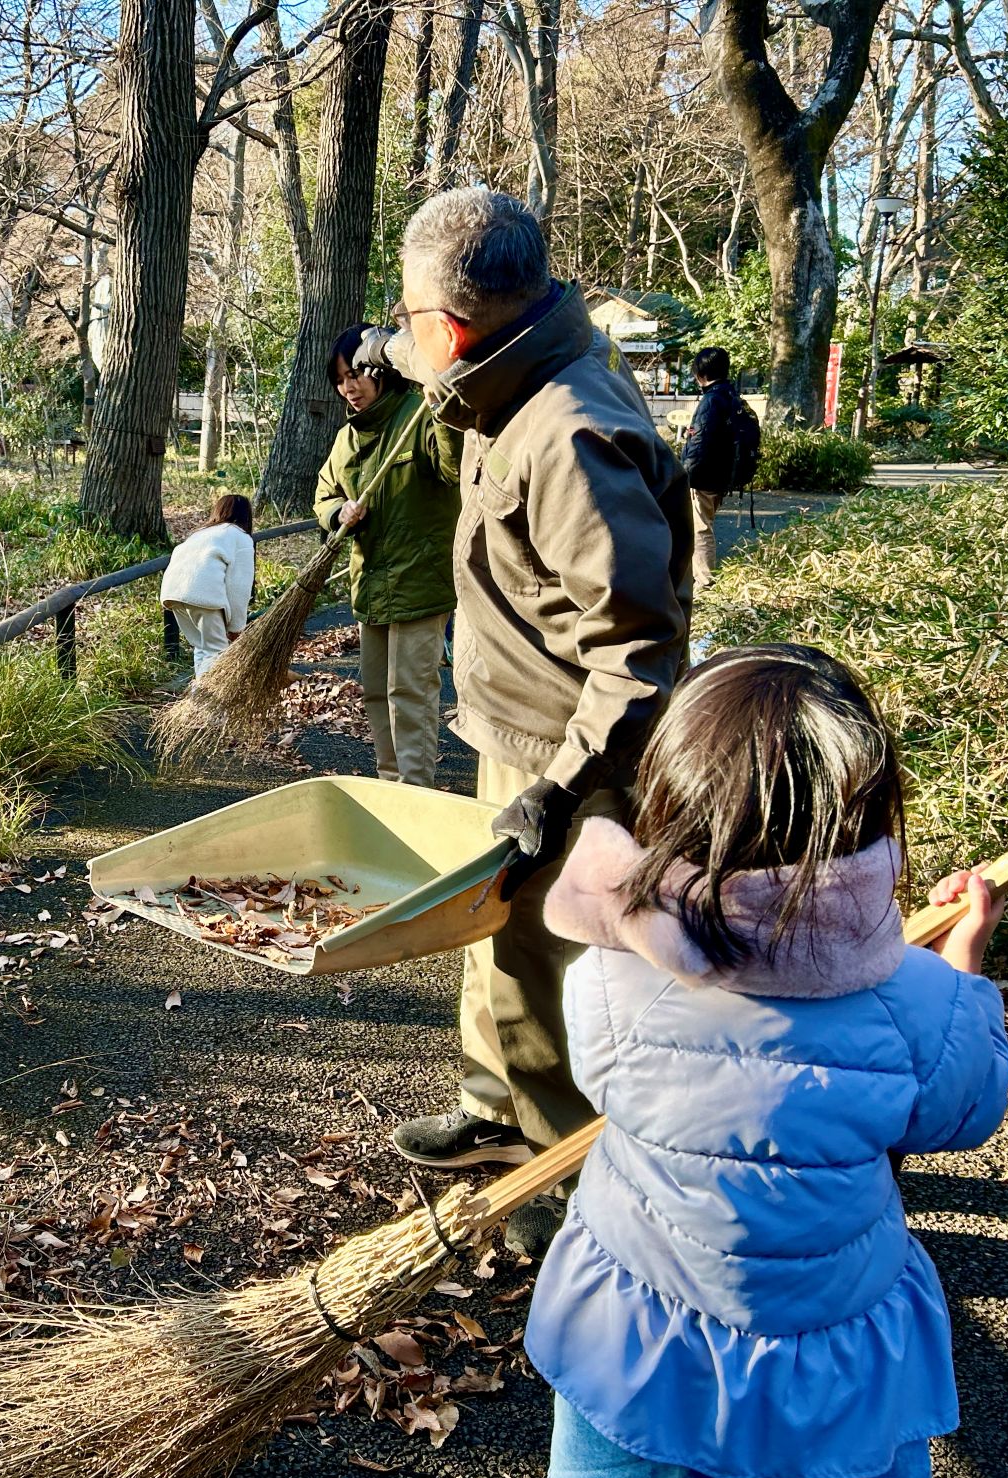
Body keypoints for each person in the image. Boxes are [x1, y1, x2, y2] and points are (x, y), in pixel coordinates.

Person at [528, 643, 1008, 1478]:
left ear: (669, 807)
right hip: (831, 1364)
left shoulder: (613, 977)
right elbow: (965, 1107)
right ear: (866, 823)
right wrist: (964, 962)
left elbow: (609, 1077)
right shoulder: (922, 1005)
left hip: (643, 1351)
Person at [352, 189, 692, 1246]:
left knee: (545, 972)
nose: (406, 337)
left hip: (570, 759)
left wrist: (561, 782)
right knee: (486, 937)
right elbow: (429, 357)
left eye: (411, 320)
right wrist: (389, 347)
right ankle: (490, 1111)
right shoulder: (514, 367)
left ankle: (563, 1196)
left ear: (453, 326)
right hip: (511, 738)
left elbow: (636, 652)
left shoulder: (573, 435)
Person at [312, 324, 461, 788]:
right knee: (377, 693)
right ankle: (389, 783)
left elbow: (453, 469)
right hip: (370, 583)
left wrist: (441, 407)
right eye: (339, 380)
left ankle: (416, 794)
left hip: (421, 580)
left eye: (355, 374)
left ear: (380, 370)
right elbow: (322, 496)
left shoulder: (417, 416)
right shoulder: (347, 440)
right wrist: (339, 512)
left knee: (410, 693)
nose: (348, 388)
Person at [160, 492, 255, 676]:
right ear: (246, 515)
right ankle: (213, 702)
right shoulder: (240, 537)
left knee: (202, 648)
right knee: (217, 653)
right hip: (203, 596)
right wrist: (236, 627)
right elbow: (239, 587)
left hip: (173, 594)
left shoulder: (200, 533)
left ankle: (198, 697)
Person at [680, 346, 741, 588]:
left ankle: (704, 580)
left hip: (704, 476)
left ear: (700, 373)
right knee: (704, 524)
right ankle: (696, 575)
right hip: (723, 473)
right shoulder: (731, 395)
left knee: (700, 528)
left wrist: (684, 475)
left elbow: (700, 443)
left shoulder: (710, 400)